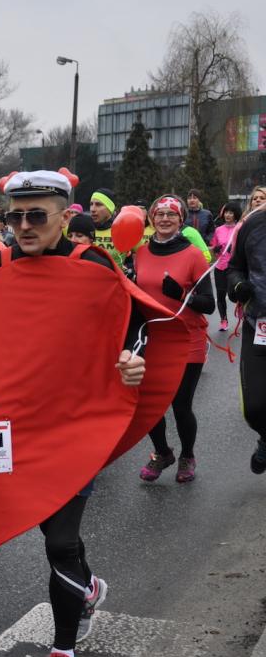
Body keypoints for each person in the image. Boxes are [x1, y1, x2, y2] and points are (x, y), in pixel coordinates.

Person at [0, 170, 149, 657]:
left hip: (72, 426)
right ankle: (89, 590)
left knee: (60, 541)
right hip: (10, 428)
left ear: (65, 217)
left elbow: (135, 322)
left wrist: (133, 357)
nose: (22, 226)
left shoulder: (91, 264)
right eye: (14, 216)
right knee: (42, 527)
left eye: (36, 215)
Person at [135, 195, 215, 484]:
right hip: (154, 339)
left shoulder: (193, 254)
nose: (165, 218)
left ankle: (187, 456)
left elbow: (209, 303)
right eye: (160, 214)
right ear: (152, 218)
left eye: (171, 214)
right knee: (149, 404)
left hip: (187, 339)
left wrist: (181, 294)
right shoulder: (141, 253)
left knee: (180, 404)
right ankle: (162, 453)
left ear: (181, 220)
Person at [227, 197, 266, 473]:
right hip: (259, 324)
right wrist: (238, 285)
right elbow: (234, 268)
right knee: (253, 407)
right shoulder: (253, 224)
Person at [210, 202, 242, 330]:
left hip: (234, 267)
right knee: (220, 294)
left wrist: (234, 250)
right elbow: (213, 246)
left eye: (231, 212)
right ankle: (223, 320)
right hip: (220, 267)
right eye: (226, 212)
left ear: (236, 214)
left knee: (233, 293)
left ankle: (240, 305)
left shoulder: (240, 228)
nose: (228, 215)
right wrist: (216, 249)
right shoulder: (218, 230)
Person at [89, 187, 126, 268]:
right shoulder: (85, 229)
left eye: (98, 204)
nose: (92, 209)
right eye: (91, 204)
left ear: (110, 208)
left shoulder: (122, 230)